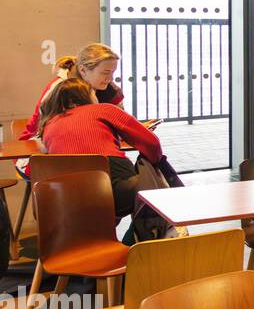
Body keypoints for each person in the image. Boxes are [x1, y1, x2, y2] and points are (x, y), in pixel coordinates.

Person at [36, 79, 165, 242]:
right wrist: (155, 163)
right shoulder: (104, 109)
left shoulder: (48, 125)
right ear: (87, 96)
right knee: (156, 196)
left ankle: (101, 243)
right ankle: (134, 246)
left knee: (102, 209)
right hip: (115, 189)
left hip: (66, 201)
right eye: (93, 93)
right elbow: (151, 143)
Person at [20, 44, 125, 141]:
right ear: (83, 70)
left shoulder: (107, 87)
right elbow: (47, 130)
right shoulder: (60, 88)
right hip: (37, 147)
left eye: (113, 72)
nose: (111, 78)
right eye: (105, 72)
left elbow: (121, 125)